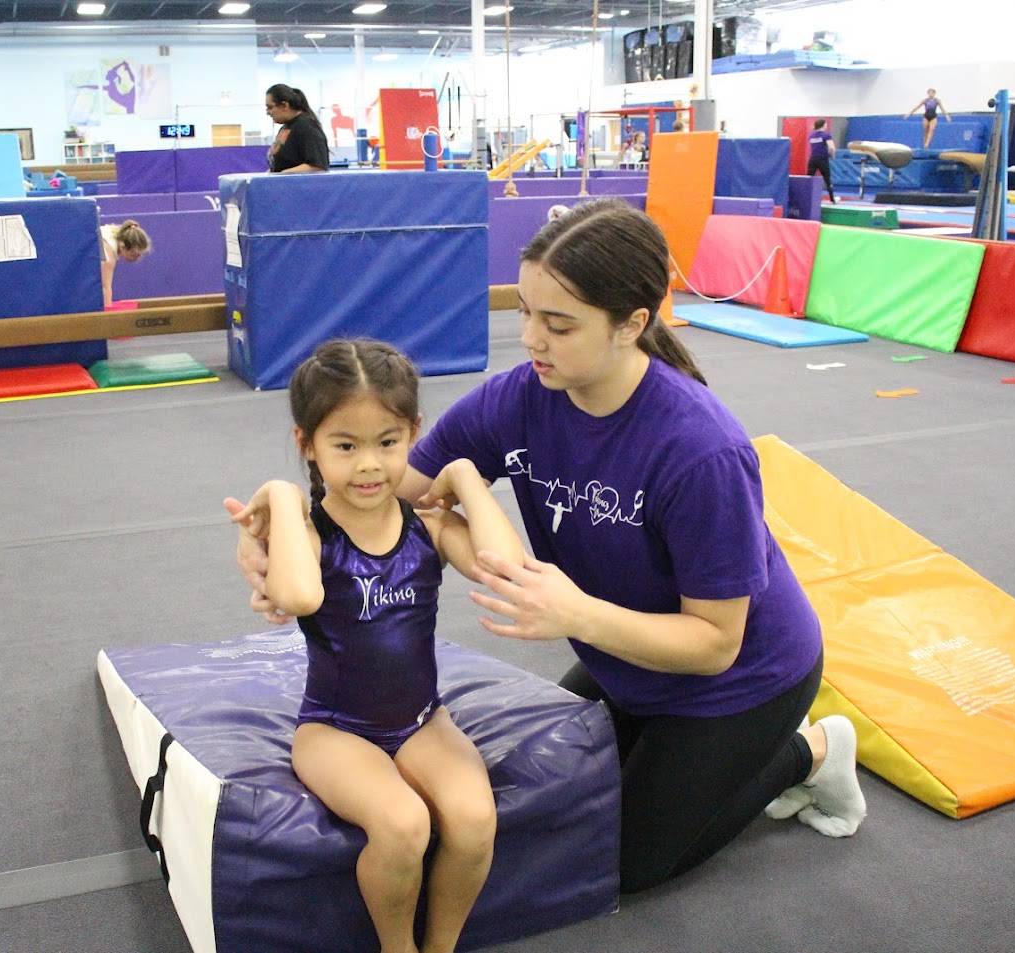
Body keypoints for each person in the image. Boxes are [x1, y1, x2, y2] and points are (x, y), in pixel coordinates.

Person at [232, 201, 868, 896]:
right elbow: (391, 488)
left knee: (626, 862)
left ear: (632, 324)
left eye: (558, 324)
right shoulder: (524, 395)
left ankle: (814, 750)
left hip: (737, 679)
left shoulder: (700, 450)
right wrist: (286, 525)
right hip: (622, 653)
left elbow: (717, 642)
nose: (532, 338)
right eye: (525, 312)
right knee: (547, 810)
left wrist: (578, 616)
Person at [227, 339, 525, 953]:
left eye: (388, 443)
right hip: (334, 730)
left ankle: (439, 946)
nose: (369, 465)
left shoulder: (429, 526)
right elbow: (296, 596)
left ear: (414, 433)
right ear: (307, 443)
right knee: (402, 823)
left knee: (473, 820)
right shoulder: (312, 531)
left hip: (421, 718)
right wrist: (284, 497)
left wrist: (466, 476)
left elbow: (504, 565)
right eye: (346, 445)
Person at [265, 83, 330, 174]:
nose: (268, 112)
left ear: (284, 105)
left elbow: (317, 166)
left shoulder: (307, 127)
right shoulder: (285, 128)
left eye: (270, 107)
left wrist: (281, 175)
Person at [99, 219, 151, 308]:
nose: (137, 259)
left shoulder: (119, 233)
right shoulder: (108, 254)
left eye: (140, 255)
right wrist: (107, 316)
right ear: (123, 247)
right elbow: (105, 287)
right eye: (134, 255)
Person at [807, 119, 837, 203]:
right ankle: (832, 199)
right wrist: (832, 155)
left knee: (809, 178)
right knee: (827, 179)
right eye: (826, 124)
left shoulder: (811, 135)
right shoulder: (826, 135)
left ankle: (806, 197)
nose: (826, 126)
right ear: (823, 125)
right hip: (822, 159)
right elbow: (831, 147)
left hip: (813, 159)